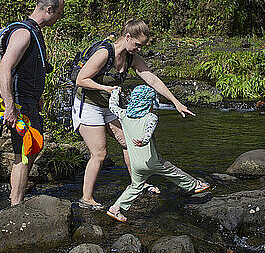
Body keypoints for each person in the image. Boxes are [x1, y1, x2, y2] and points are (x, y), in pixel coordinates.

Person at [73, 19, 195, 209]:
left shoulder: (131, 58)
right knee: (99, 153)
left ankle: (137, 183)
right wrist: (104, 88)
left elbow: (152, 80)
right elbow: (81, 79)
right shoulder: (104, 53)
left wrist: (176, 102)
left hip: (110, 106)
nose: (139, 49)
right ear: (127, 37)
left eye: (142, 46)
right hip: (88, 105)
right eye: (138, 45)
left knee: (128, 142)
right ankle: (86, 199)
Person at [0, 0, 64, 205]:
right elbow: (3, 69)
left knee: (32, 149)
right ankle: (15, 205)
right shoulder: (23, 33)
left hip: (30, 102)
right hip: (19, 105)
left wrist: (37, 96)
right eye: (59, 13)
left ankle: (15, 198)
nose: (59, 18)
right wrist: (9, 107)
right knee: (23, 155)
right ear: (49, 10)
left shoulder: (34, 32)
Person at [106, 85, 210, 222]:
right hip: (152, 161)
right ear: (149, 102)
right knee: (172, 170)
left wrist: (114, 93)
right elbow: (148, 133)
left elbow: (112, 106)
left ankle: (115, 209)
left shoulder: (123, 115)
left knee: (135, 187)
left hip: (136, 164)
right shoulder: (151, 117)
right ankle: (194, 185)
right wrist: (143, 141)